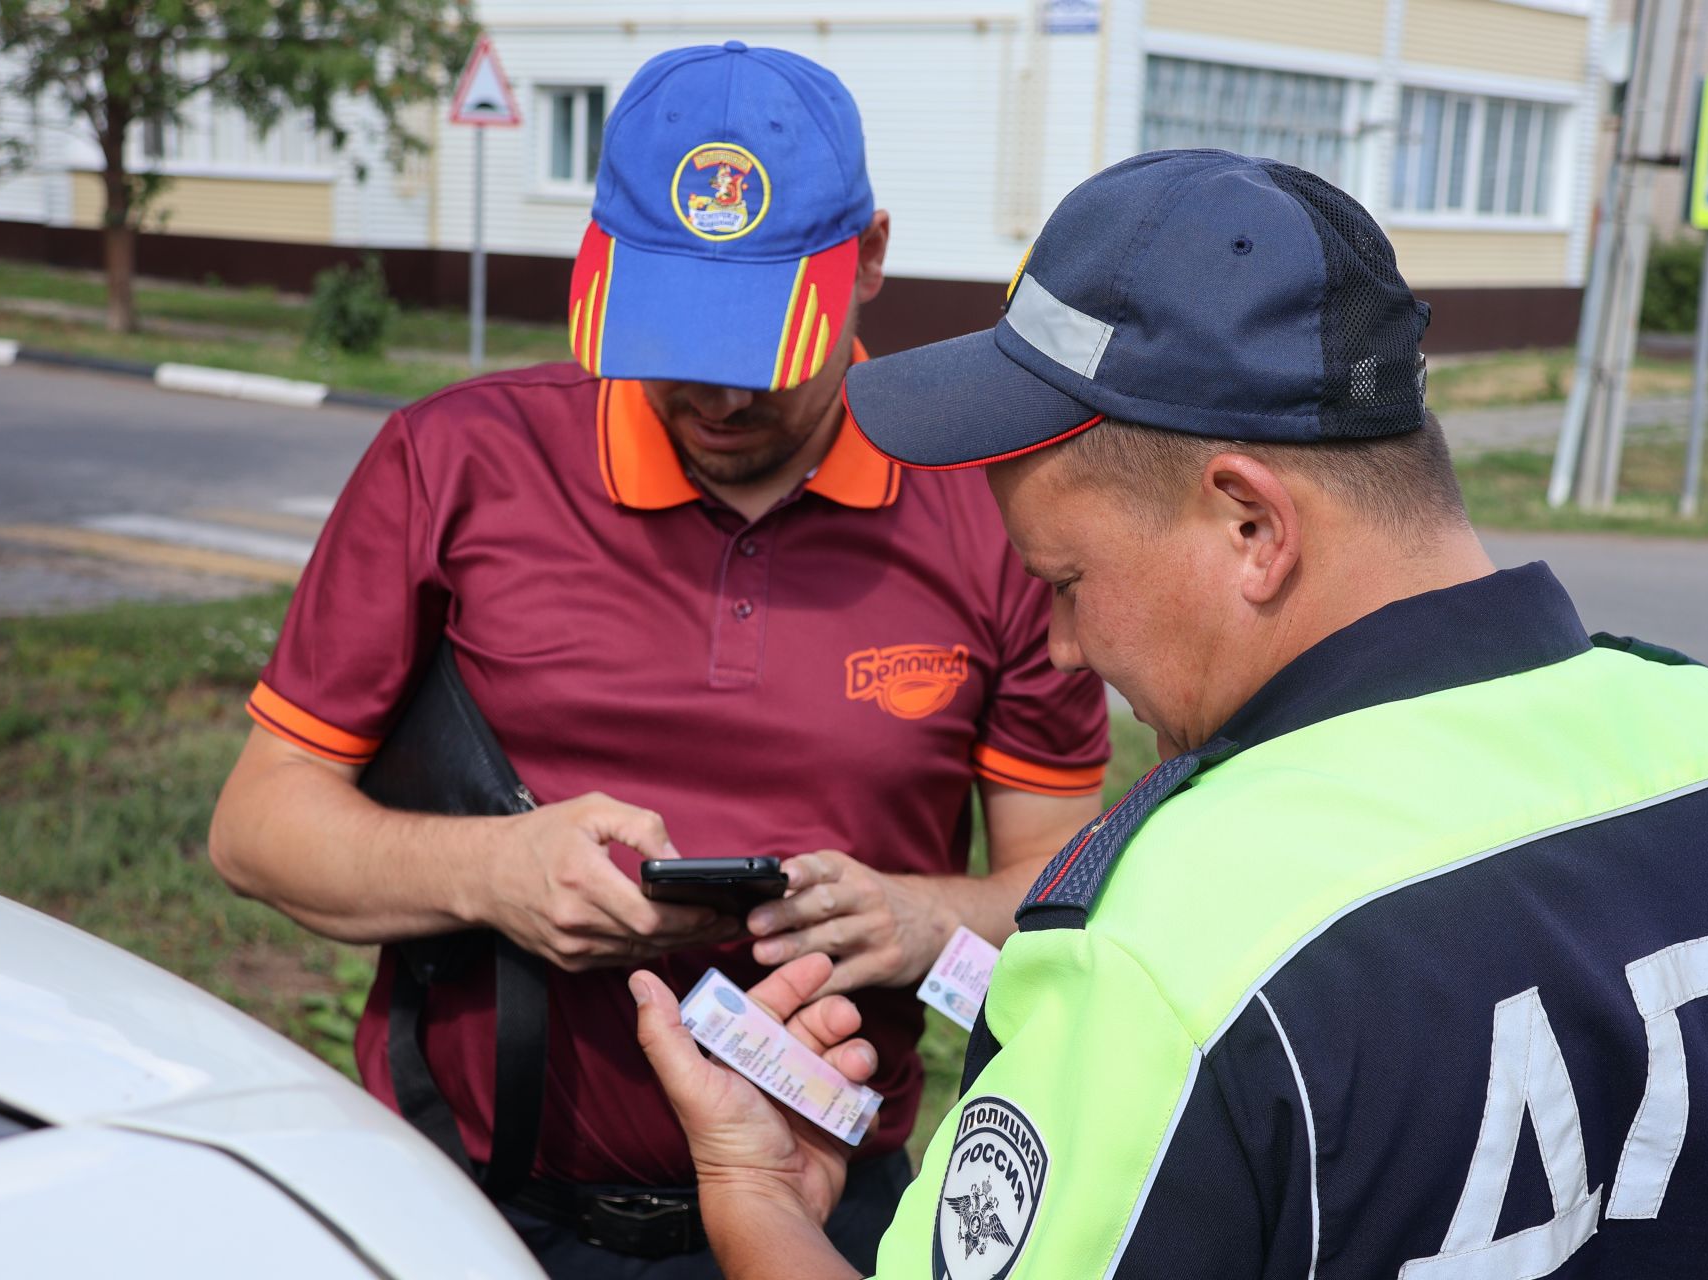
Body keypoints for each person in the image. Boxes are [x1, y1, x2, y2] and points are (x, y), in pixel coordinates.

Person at [630, 149, 1708, 1277]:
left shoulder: (1176, 944)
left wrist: (759, 1200)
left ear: (1253, 527)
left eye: (1064, 580)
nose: (1060, 642)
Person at [207, 41, 1108, 1278]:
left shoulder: (983, 518)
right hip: (477, 1203)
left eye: (763, 349)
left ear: (874, 261)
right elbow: (258, 827)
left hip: (829, 1209)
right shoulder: (453, 465)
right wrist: (495, 870)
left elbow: (1067, 907)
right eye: (675, 332)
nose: (719, 396)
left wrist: (922, 920)